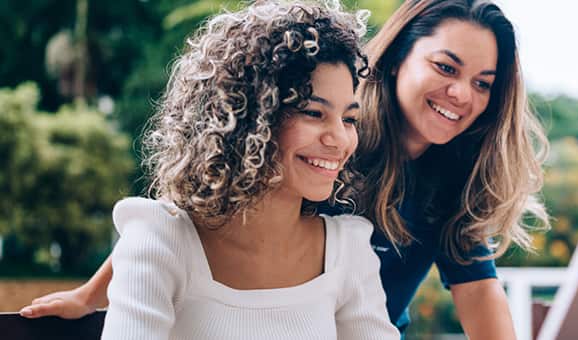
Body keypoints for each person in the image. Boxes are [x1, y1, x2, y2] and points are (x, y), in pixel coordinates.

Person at [22, 0, 550, 338]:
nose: (461, 93)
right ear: (395, 61)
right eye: (445, 67)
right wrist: (91, 294)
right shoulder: (327, 148)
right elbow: (180, 218)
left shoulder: (451, 184)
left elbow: (480, 293)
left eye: (483, 83)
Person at [62, 1, 399, 339]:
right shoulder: (161, 240)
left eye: (349, 119)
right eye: (313, 113)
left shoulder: (347, 251)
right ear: (248, 118)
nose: (340, 139)